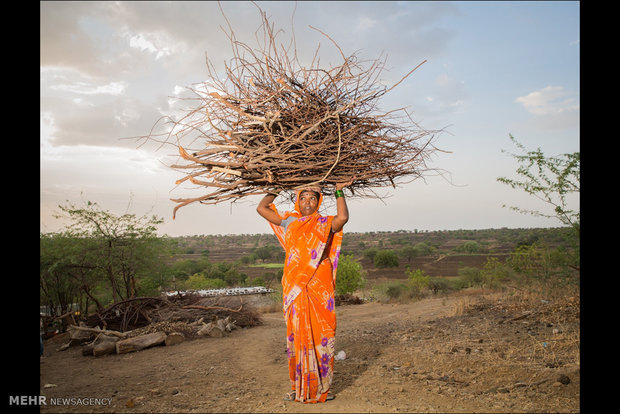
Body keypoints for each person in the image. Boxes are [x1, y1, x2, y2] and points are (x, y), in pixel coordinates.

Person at [256, 180, 352, 403]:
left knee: (322, 336)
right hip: (295, 288)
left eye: (312, 198)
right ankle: (299, 388)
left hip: (319, 285)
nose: (307, 202)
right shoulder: (290, 221)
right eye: (303, 198)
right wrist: (277, 186)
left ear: (319, 201)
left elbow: (343, 218)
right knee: (297, 338)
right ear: (297, 200)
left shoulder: (325, 223)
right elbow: (262, 208)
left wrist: (339, 190)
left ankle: (321, 389)